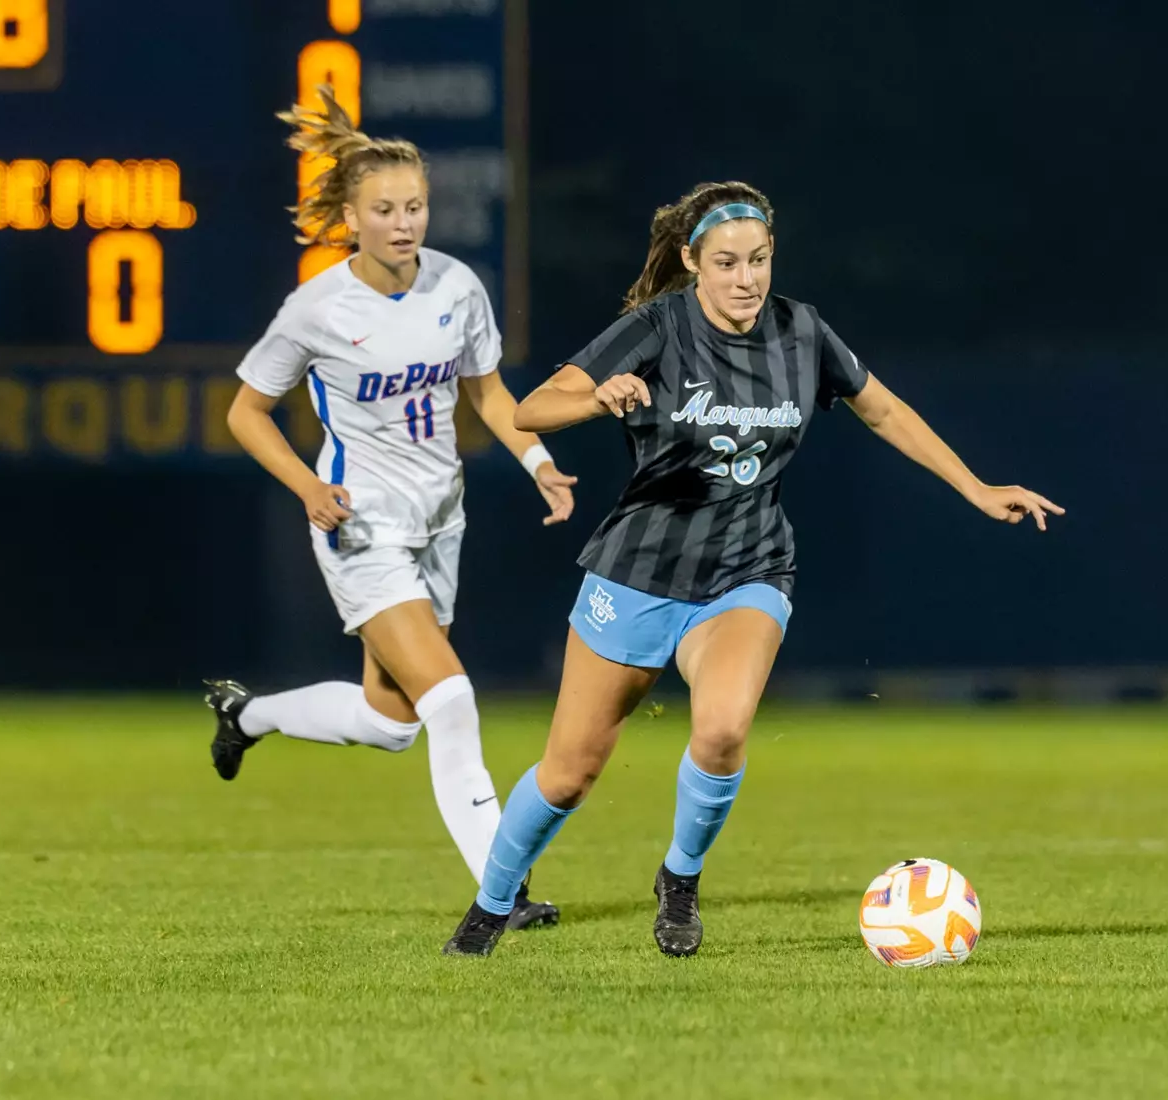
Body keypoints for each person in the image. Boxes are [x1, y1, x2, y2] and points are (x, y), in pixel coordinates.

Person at [441, 181, 1063, 957]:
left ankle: (679, 879)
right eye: (728, 263)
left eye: (759, 260)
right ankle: (492, 904)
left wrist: (975, 487)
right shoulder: (657, 327)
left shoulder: (802, 332)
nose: (746, 279)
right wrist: (600, 398)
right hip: (635, 572)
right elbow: (533, 406)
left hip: (748, 568)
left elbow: (884, 410)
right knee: (569, 773)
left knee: (725, 727)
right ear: (691, 262)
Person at [204, 88, 575, 931]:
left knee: (391, 721)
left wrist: (539, 462)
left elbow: (486, 391)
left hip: (440, 519)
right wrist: (306, 487)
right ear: (349, 215)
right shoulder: (316, 309)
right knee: (451, 698)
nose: (404, 222)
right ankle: (501, 892)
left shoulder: (456, 285)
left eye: (414, 206)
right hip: (359, 524)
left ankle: (246, 715)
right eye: (385, 209)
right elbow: (243, 412)